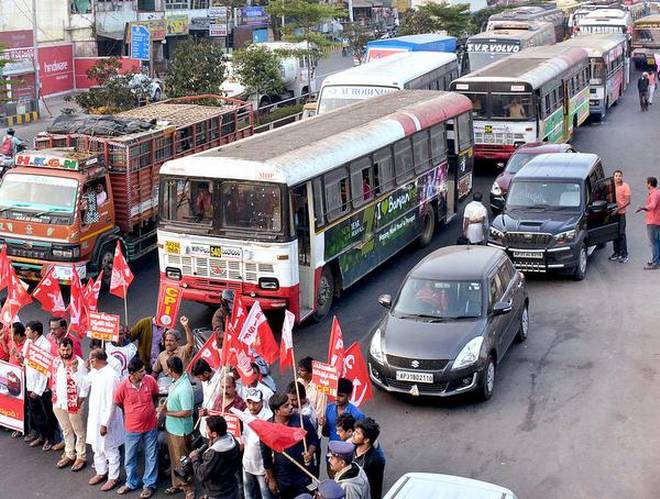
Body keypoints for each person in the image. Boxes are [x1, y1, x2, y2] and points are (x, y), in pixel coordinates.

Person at [115, 357, 160, 498]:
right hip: (132, 429)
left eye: (144, 370)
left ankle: (149, 484)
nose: (144, 373)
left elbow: (155, 396)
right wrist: (132, 413)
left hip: (150, 426)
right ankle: (131, 482)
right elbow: (119, 403)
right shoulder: (123, 387)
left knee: (151, 455)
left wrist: (150, 411)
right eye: (141, 371)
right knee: (129, 457)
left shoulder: (150, 380)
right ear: (132, 373)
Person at [262, 393, 319, 499]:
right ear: (277, 411)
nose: (291, 406)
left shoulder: (302, 420)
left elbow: (313, 440)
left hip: (303, 473)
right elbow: (266, 456)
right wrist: (271, 479)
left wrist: (309, 453)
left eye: (290, 404)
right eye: (286, 406)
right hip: (282, 477)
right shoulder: (268, 428)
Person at [86, 348, 125, 492]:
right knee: (97, 447)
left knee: (110, 448)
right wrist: (77, 370)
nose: (90, 361)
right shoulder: (95, 372)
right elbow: (83, 383)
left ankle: (113, 477)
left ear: (101, 359)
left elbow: (111, 402)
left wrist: (105, 423)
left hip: (107, 419)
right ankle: (101, 472)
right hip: (95, 417)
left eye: (92, 359)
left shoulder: (111, 376)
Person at [158, 355, 195, 498]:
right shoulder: (176, 381)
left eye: (168, 368)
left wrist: (168, 413)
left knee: (183, 461)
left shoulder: (184, 388)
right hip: (172, 428)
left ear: (172, 370)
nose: (166, 371)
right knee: (175, 459)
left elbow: (187, 412)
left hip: (181, 430)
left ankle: (189, 488)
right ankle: (177, 484)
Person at [52, 337, 89, 471]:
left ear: (72, 349)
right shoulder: (56, 361)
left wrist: (81, 400)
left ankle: (81, 456)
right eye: (63, 349)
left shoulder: (78, 363)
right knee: (66, 430)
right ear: (59, 349)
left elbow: (85, 385)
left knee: (79, 431)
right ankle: (69, 454)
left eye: (68, 349)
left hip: (74, 402)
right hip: (59, 402)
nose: (65, 352)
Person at [23, 321, 59, 451]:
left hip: (42, 388)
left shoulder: (45, 345)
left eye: (27, 330)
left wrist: (38, 390)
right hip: (30, 384)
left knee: (47, 415)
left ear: (35, 332)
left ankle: (50, 439)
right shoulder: (28, 343)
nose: (25, 332)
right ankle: (41, 435)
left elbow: (45, 371)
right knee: (35, 413)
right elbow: (26, 361)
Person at [191, 415, 242, 499]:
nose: (206, 431)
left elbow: (202, 474)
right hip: (231, 487)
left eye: (207, 429)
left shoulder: (216, 452)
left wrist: (194, 459)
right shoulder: (231, 439)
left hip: (218, 493)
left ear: (214, 434)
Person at [242, 388, 274, 499]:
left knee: (265, 495)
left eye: (255, 403)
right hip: (247, 463)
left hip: (262, 467)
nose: (251, 407)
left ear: (262, 402)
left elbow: (272, 446)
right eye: (249, 402)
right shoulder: (245, 413)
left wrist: (269, 471)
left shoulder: (269, 417)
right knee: (248, 495)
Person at [352, 418, 385, 499]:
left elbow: (374, 487)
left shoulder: (375, 460)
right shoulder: (352, 447)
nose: (353, 434)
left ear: (366, 440)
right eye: (354, 431)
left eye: (357, 433)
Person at [191, 358, 223, 440]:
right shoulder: (204, 381)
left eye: (199, 377)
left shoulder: (220, 381)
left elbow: (221, 407)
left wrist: (208, 412)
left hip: (215, 426)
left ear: (206, 373)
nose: (199, 379)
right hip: (204, 425)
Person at [636, 176, 660, 269]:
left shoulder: (654, 194)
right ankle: (657, 261)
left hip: (653, 221)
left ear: (649, 183)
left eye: (647, 183)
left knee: (653, 242)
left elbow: (653, 206)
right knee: (657, 241)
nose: (646, 184)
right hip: (657, 220)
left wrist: (643, 207)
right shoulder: (658, 192)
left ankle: (655, 263)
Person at [610, 169, 631, 263]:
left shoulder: (625, 186)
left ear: (621, 177)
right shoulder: (611, 186)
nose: (618, 177)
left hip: (621, 213)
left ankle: (624, 254)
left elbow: (628, 201)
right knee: (614, 233)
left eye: (619, 176)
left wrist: (617, 210)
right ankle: (616, 252)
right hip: (612, 213)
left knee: (621, 233)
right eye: (616, 176)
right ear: (613, 177)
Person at [296, 356, 324, 422]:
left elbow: (320, 412)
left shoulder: (320, 388)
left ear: (311, 373)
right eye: (299, 369)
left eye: (302, 370)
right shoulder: (299, 381)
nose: (298, 372)